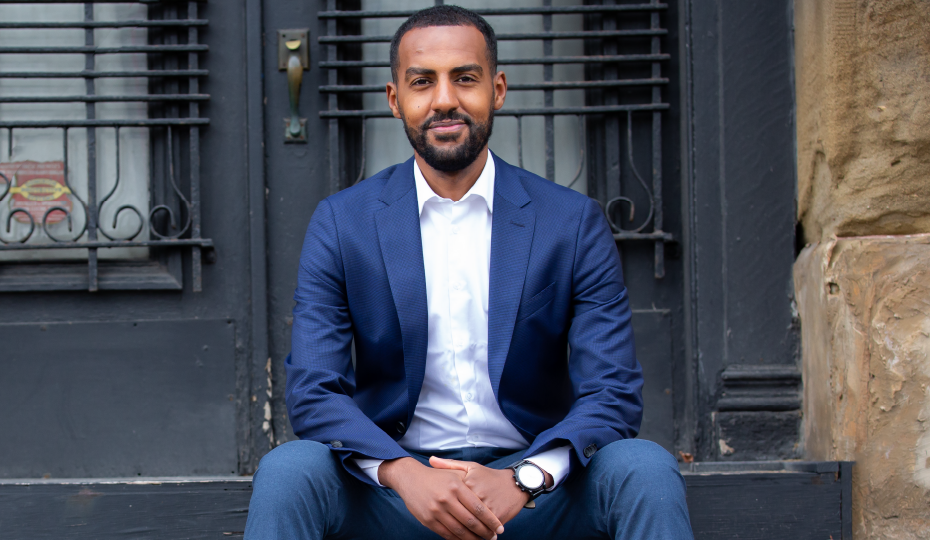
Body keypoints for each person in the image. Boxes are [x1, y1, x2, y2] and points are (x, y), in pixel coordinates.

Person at [245, 6, 693, 540]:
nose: (444, 100)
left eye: (465, 78)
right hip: (397, 493)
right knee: (288, 471)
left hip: (532, 492)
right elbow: (315, 391)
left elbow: (613, 391)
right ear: (395, 100)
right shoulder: (343, 224)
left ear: (497, 89)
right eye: (422, 82)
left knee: (643, 468)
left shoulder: (570, 224)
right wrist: (403, 474)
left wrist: (524, 478)